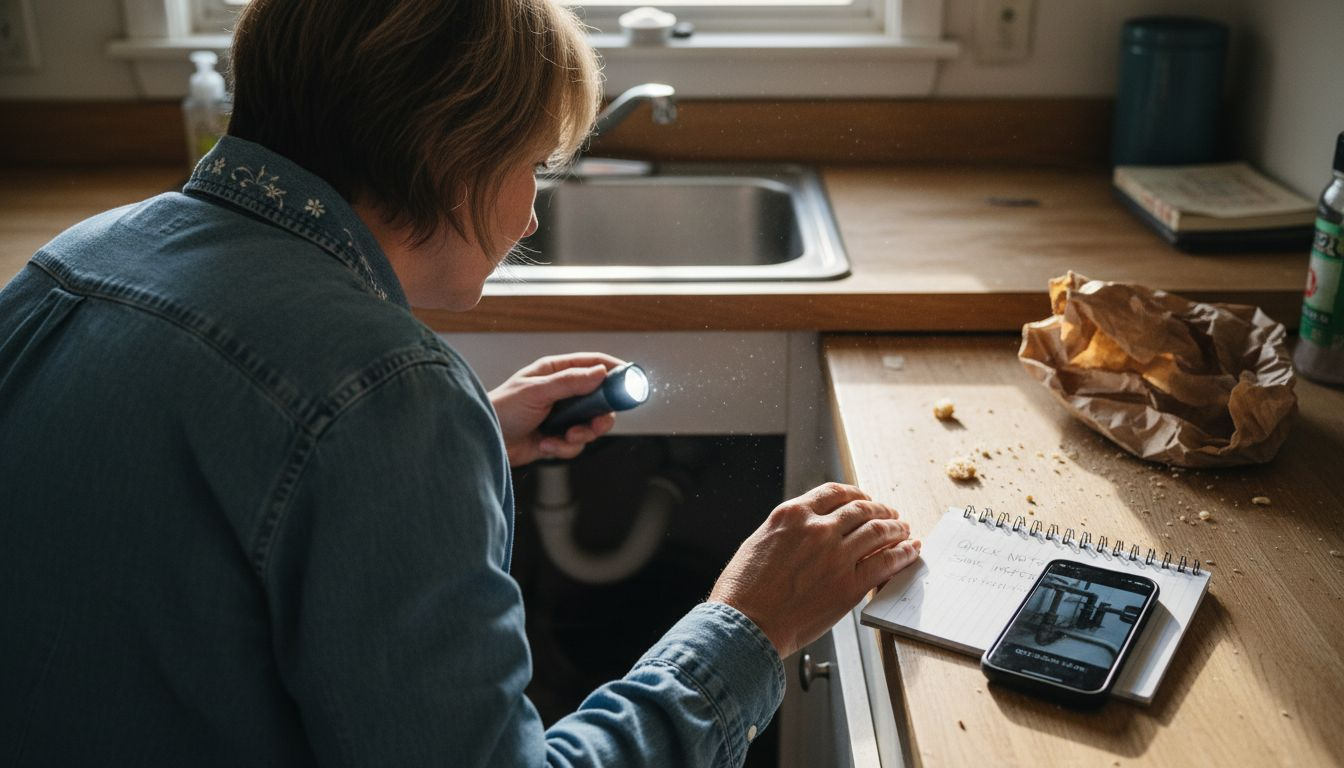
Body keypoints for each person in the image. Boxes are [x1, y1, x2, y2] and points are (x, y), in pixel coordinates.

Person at [0, 0, 922, 765]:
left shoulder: (69, 263)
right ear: (452, 147)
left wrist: (464, 425)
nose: (529, 211)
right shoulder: (384, 396)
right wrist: (750, 626)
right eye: (530, 164)